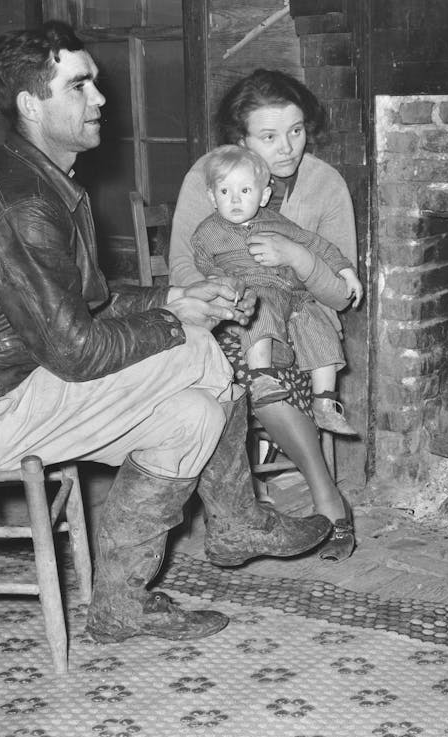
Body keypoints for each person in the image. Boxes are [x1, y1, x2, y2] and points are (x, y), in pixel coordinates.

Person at [0, 21, 332, 645]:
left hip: (23, 380)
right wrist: (178, 322)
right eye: (79, 85)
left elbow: (93, 302)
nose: (100, 98)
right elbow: (77, 350)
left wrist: (176, 295)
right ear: (32, 104)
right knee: (197, 350)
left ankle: (120, 606)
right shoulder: (24, 207)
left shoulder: (46, 181)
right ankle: (238, 518)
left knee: (194, 414)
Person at [167, 69, 359, 562]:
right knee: (253, 365)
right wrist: (224, 297)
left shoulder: (326, 183)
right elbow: (185, 264)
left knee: (262, 367)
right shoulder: (210, 175)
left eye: (296, 130)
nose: (288, 147)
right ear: (241, 140)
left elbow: (341, 295)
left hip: (306, 317)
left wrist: (298, 258)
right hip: (225, 309)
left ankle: (285, 504)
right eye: (269, 136)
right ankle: (322, 502)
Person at [192, 144, 361, 435]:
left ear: (264, 195)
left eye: (245, 191)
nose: (234, 199)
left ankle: (325, 404)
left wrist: (346, 271)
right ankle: (261, 378)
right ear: (211, 196)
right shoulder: (207, 231)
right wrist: (224, 283)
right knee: (261, 309)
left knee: (320, 327)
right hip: (250, 291)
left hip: (294, 296)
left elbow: (315, 244)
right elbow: (204, 265)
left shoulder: (276, 222)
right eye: (224, 192)